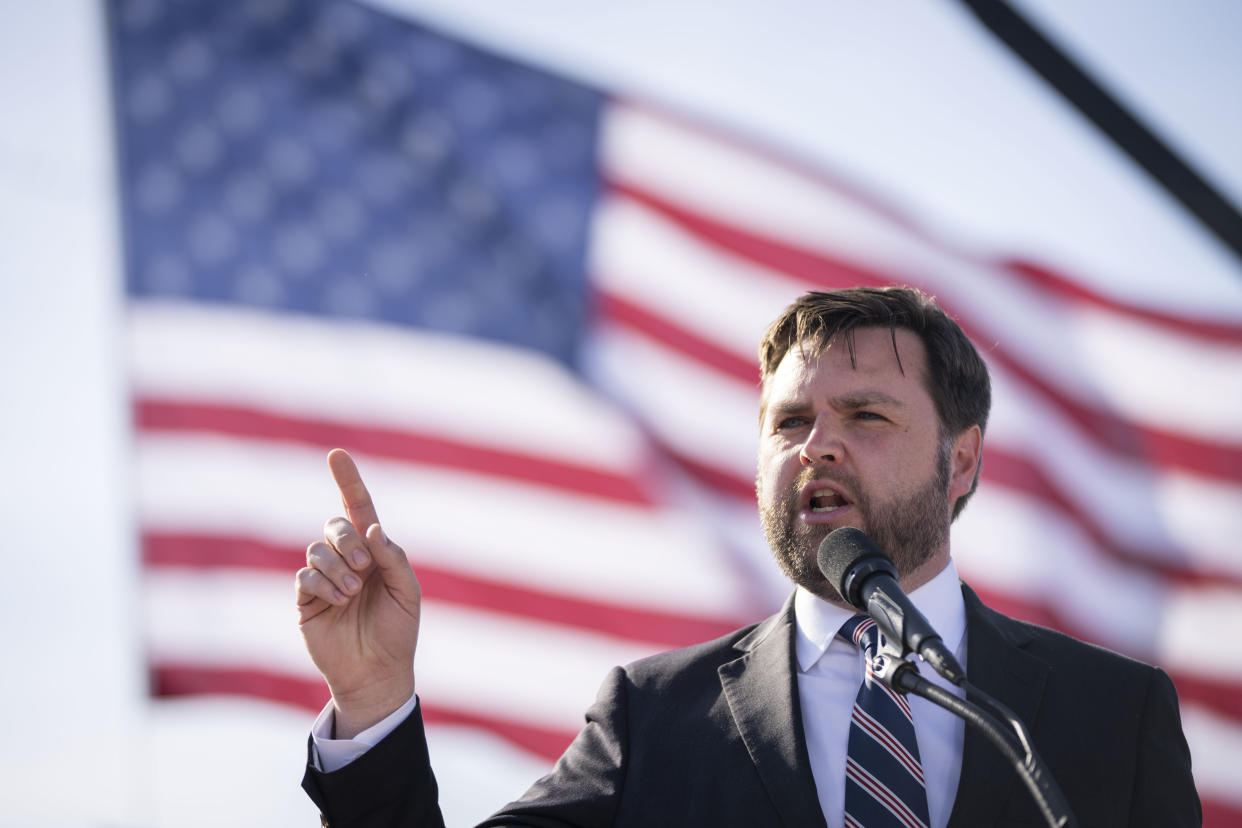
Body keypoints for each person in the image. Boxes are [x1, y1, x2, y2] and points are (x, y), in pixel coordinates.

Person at [296, 287, 1201, 827]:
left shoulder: (1112, 716)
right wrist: (372, 701)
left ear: (960, 459)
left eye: (867, 416)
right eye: (790, 422)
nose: (817, 446)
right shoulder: (651, 720)